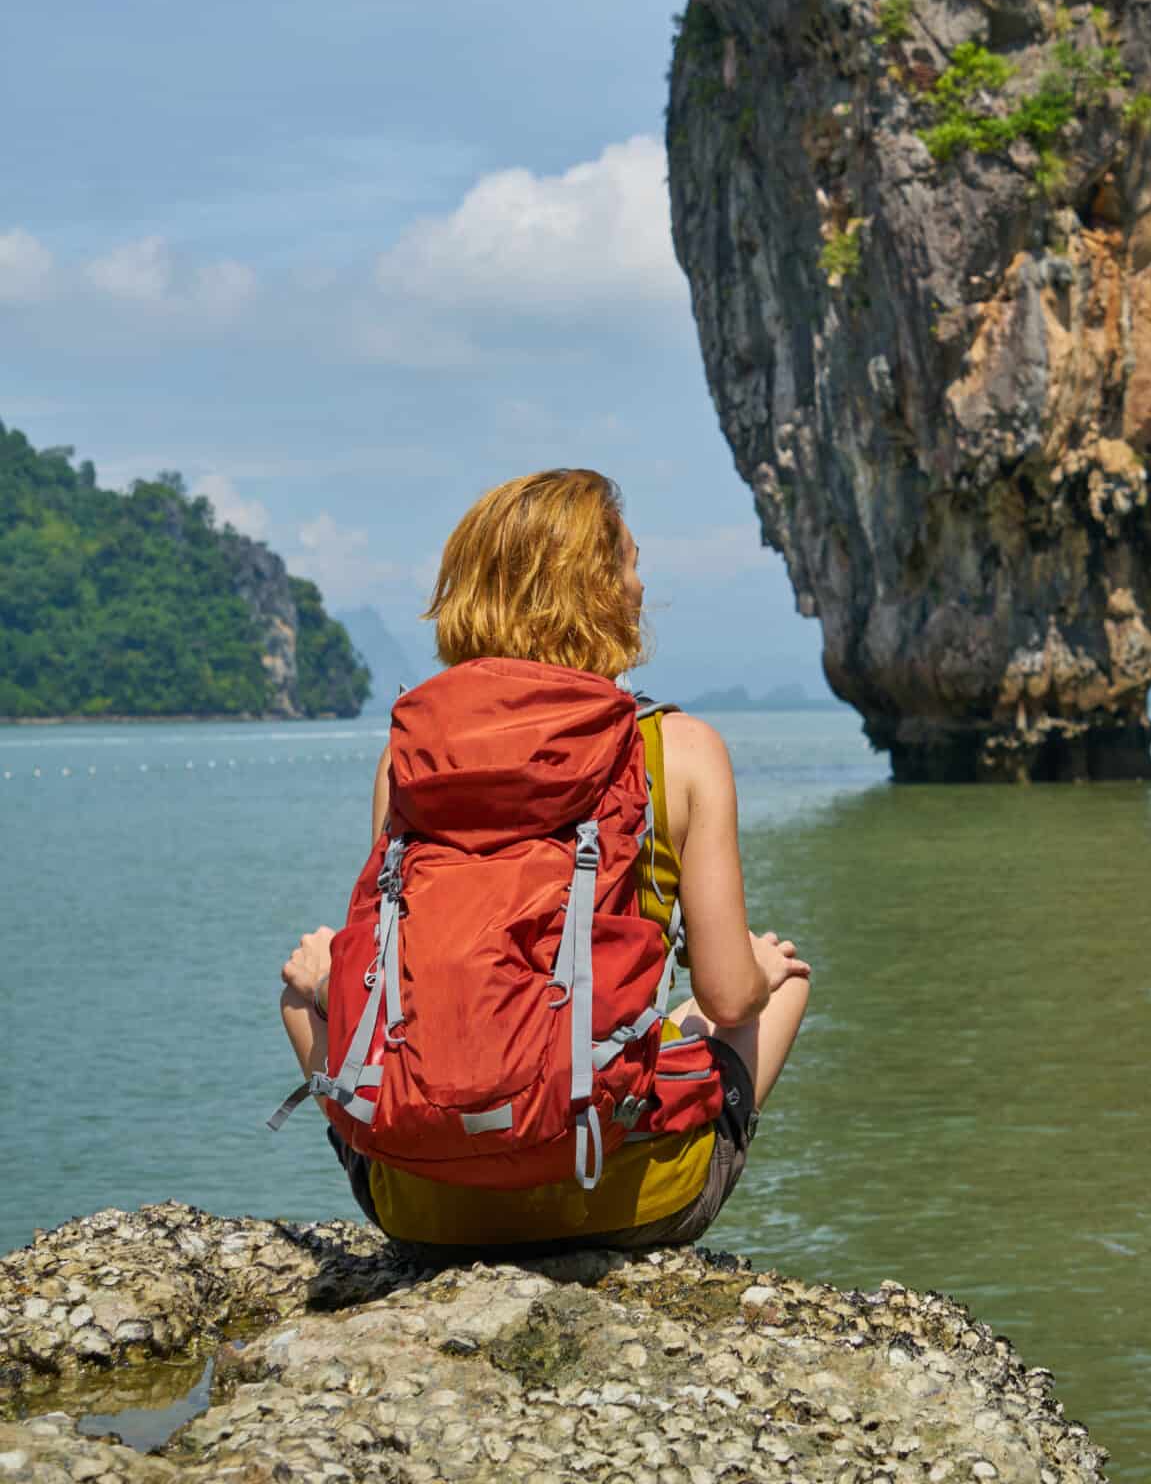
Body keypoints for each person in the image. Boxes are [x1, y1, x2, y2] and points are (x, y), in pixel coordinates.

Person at [277, 467, 811, 1251]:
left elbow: (386, 974)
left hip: (424, 1212)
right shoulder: (679, 749)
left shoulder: (408, 757)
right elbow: (729, 1002)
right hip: (624, 1198)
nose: (640, 582)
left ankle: (427, 1174)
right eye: (629, 562)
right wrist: (759, 970)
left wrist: (324, 979)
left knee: (301, 988)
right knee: (780, 983)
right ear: (599, 591)